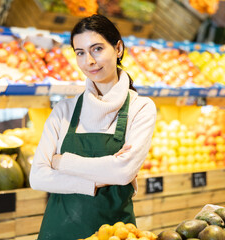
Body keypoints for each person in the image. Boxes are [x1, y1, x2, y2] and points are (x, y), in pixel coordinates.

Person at [29, 14, 157, 240]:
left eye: (97, 49)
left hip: (116, 234)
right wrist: (97, 180)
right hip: (60, 232)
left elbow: (123, 171)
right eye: (80, 53)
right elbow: (38, 177)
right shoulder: (64, 110)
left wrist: (62, 162)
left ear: (118, 48)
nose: (88, 61)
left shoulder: (141, 108)